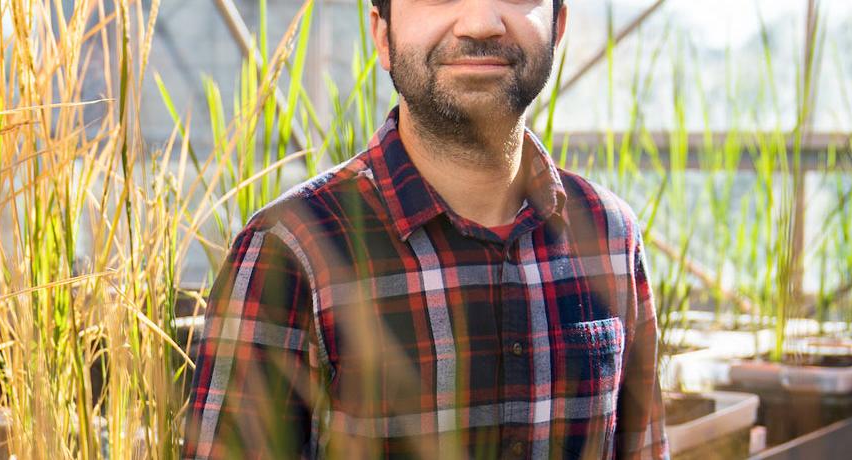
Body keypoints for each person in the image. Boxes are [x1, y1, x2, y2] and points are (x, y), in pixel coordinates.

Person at [182, 0, 668, 458]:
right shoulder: (291, 250)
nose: (480, 22)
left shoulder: (609, 236)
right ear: (383, 34)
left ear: (559, 27)